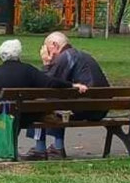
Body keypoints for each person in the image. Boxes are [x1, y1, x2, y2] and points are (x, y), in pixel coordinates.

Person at [0, 39, 87, 162]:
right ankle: (4, 151)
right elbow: (50, 82)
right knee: (24, 112)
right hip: (18, 115)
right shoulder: (28, 70)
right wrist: (72, 85)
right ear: (19, 54)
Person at [22, 31, 110, 160]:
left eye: (46, 47)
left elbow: (44, 84)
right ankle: (56, 146)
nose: (44, 51)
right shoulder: (83, 55)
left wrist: (46, 64)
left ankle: (42, 149)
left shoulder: (65, 57)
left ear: (54, 45)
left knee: (39, 103)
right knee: (58, 103)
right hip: (100, 109)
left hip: (84, 109)